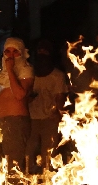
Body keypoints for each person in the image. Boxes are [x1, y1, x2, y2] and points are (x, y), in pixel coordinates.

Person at [27, 38, 69, 173]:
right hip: (31, 119)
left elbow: (61, 100)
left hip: (50, 120)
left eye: (45, 50)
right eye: (40, 50)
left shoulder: (57, 75)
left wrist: (57, 111)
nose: (42, 53)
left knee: (49, 155)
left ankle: (47, 184)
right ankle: (28, 182)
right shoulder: (29, 74)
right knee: (28, 153)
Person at [0, 37, 34, 175]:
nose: (11, 55)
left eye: (15, 52)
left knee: (13, 165)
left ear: (22, 53)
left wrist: (11, 70)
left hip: (15, 122)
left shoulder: (25, 70)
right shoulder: (4, 73)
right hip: (1, 122)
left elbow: (19, 94)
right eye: (7, 51)